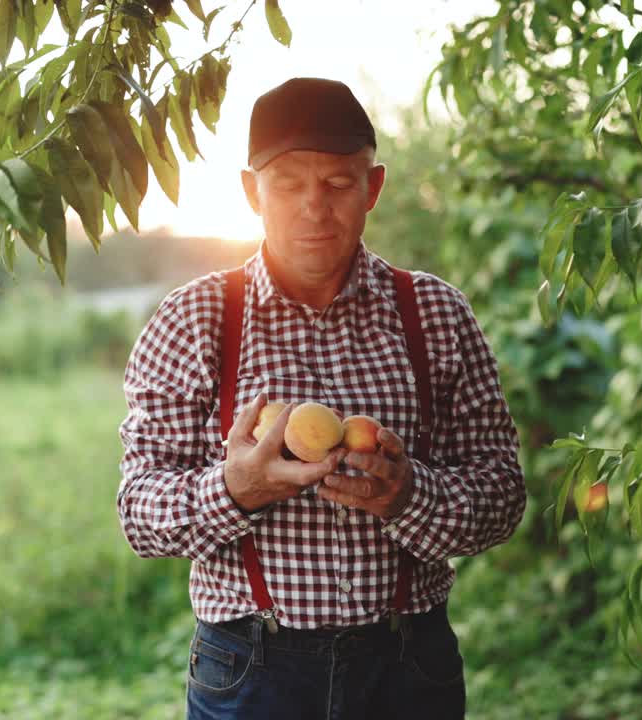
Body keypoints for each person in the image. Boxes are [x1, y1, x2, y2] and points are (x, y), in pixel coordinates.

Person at [116, 77, 526, 719]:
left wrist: (407, 495)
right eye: (289, 184)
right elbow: (138, 513)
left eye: (338, 183)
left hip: (406, 667)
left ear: (374, 187)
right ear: (252, 192)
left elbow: (502, 496)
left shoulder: (435, 314)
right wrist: (236, 490)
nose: (314, 207)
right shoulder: (192, 319)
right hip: (251, 671)